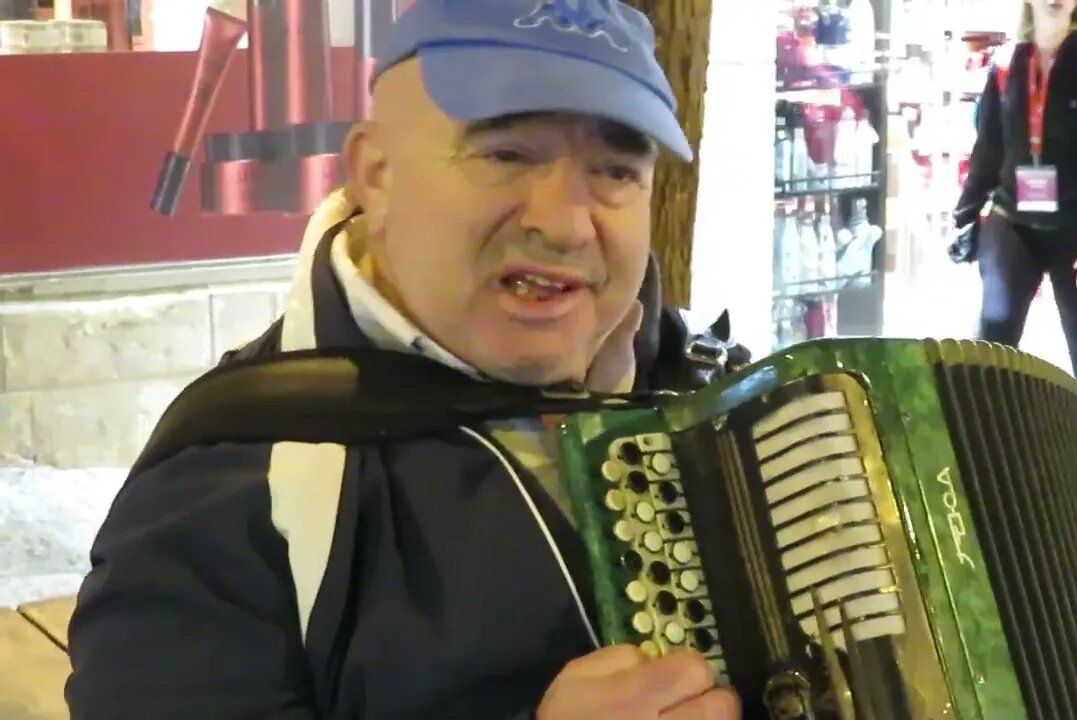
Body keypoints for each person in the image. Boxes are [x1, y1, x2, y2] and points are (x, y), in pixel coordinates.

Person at [64, 1, 743, 717]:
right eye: (507, 154)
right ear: (375, 175)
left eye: (615, 170)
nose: (566, 222)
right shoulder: (223, 491)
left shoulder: (708, 392)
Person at [953, 0, 1077, 409]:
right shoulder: (1004, 66)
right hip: (1013, 221)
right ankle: (984, 439)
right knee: (994, 328)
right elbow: (990, 146)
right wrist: (965, 213)